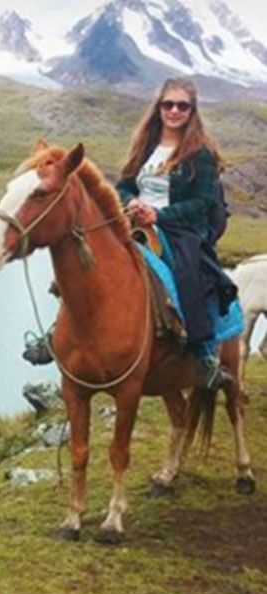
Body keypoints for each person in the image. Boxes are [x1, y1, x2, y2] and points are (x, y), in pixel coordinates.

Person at [116, 76, 237, 389]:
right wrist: (132, 203)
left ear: (191, 110)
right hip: (135, 222)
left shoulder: (201, 154)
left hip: (179, 230)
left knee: (187, 277)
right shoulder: (146, 147)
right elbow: (124, 185)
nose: (174, 111)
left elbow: (201, 202)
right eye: (168, 104)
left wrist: (158, 215)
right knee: (89, 258)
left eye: (182, 105)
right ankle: (61, 333)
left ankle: (203, 353)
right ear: (158, 107)